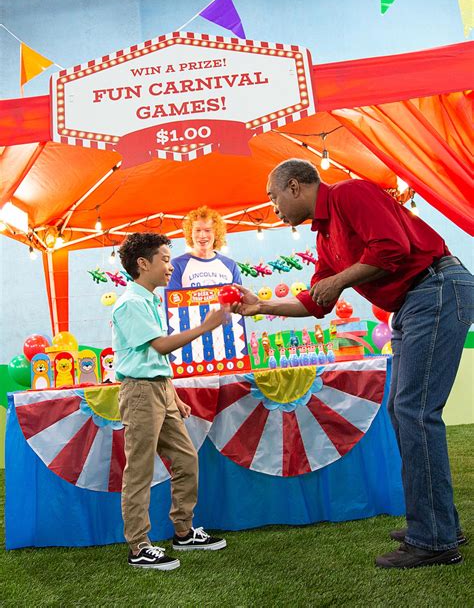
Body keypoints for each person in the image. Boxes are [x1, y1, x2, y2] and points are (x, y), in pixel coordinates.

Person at [232, 158, 473, 569]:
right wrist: (261, 307)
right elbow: (316, 301)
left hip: (435, 287)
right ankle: (439, 524)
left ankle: (434, 539)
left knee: (414, 412)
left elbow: (392, 247)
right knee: (403, 410)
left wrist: (341, 279)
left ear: (294, 186)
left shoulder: (349, 194)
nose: (274, 209)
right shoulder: (325, 237)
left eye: (273, 198)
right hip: (413, 302)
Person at [112, 232, 227, 570]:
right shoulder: (131, 303)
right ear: (142, 263)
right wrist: (206, 326)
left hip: (159, 389)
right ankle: (139, 546)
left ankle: (184, 531)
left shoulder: (148, 300)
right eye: (164, 259)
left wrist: (172, 395)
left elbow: (154, 359)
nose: (170, 266)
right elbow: (159, 346)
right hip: (140, 393)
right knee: (140, 470)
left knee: (186, 459)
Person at [168, 205, 242, 289]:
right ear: (190, 233)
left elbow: (238, 295)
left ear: (216, 233)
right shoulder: (177, 265)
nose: (202, 235)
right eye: (197, 230)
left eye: (207, 230)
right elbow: (173, 296)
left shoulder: (230, 265)